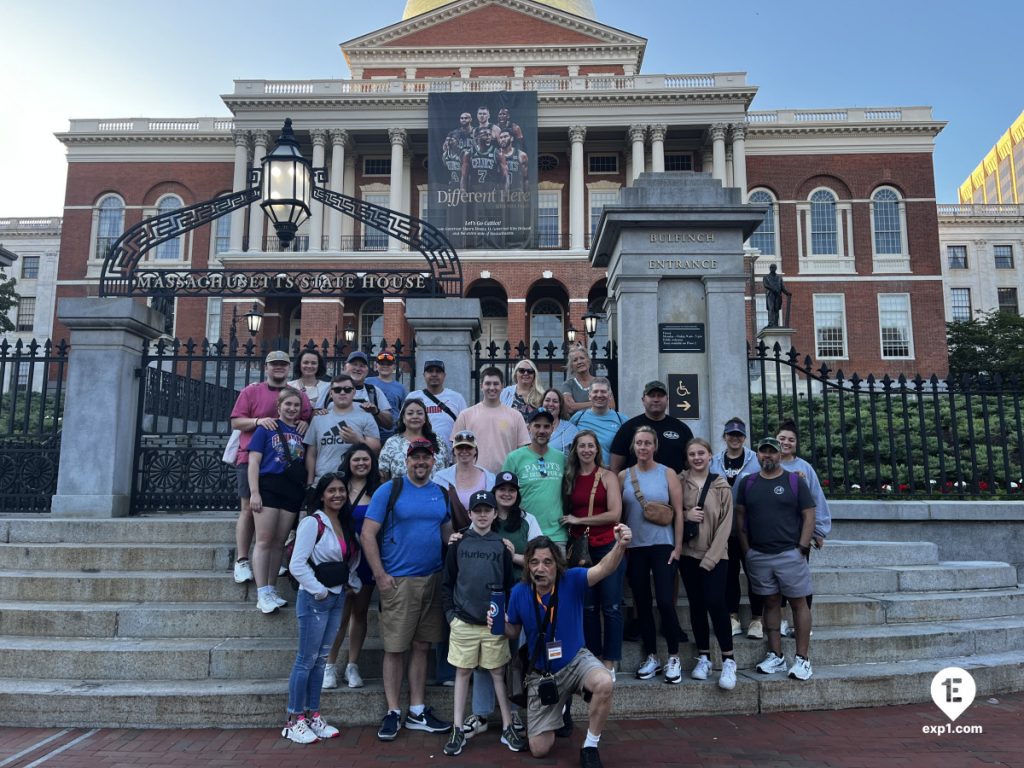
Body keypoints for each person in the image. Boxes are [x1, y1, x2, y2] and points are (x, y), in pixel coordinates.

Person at [498, 528, 633, 768]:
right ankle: (559, 708)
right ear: (528, 565)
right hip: (542, 673)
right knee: (539, 750)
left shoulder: (571, 580)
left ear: (557, 564)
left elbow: (604, 569)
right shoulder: (519, 592)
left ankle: (590, 746)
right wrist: (499, 626)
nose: (541, 568)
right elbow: (513, 632)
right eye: (535, 562)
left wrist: (620, 545)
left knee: (604, 682)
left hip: (575, 660)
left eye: (547, 562)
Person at [360, 439, 454, 741]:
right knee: (395, 648)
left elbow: (447, 536)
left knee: (423, 646)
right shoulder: (390, 490)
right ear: (407, 460)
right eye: (416, 458)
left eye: (426, 458)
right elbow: (367, 533)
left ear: (434, 462)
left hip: (432, 579)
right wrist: (380, 574)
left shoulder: (440, 493)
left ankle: (417, 710)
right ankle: (392, 711)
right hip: (398, 581)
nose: (421, 463)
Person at [455, 470, 540, 743]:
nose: (506, 494)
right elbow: (465, 543)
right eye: (501, 489)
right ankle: (480, 714)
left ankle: (513, 713)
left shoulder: (527, 520)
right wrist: (454, 539)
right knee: (483, 659)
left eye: (511, 490)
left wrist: (511, 554)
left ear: (517, 494)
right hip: (487, 601)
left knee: (514, 658)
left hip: (520, 595)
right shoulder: (484, 518)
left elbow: (539, 558)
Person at [440, 491, 524, 756]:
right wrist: (451, 617)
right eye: (478, 510)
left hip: (493, 622)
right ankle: (456, 727)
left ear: (494, 513)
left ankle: (508, 726)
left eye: (488, 510)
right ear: (470, 513)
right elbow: (447, 583)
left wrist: (506, 616)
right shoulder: (459, 543)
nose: (483, 514)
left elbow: (510, 585)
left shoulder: (502, 546)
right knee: (463, 672)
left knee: (498, 672)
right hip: (463, 621)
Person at [282, 472, 361, 743]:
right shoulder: (311, 523)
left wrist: (351, 582)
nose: (337, 495)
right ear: (322, 495)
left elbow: (349, 558)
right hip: (314, 599)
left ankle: (313, 715)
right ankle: (294, 720)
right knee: (306, 659)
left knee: (320, 659)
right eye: (331, 491)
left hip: (337, 597)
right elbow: (297, 564)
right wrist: (319, 591)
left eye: (341, 490)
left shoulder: (344, 522)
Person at [735, 437, 817, 681]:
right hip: (759, 555)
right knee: (770, 603)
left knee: (798, 603)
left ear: (780, 454)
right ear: (757, 455)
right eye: (763, 452)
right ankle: (776, 655)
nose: (767, 456)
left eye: (772, 452)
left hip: (789, 553)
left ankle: (802, 659)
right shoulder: (747, 483)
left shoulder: (795, 481)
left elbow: (809, 515)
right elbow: (740, 518)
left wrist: (801, 548)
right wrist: (747, 550)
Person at [229, 350, 312, 584]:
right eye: (274, 364)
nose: (279, 368)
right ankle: (243, 559)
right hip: (251, 457)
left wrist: (305, 421)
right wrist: (257, 421)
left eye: (283, 365)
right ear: (266, 367)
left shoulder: (298, 395)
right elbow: (236, 421)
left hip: (284, 467)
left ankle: (270, 561)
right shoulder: (251, 391)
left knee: (277, 524)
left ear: (289, 368)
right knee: (248, 507)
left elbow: (306, 417)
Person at [618, 425, 685, 683]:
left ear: (655, 446)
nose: (643, 447)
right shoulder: (624, 476)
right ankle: (652, 656)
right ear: (633, 447)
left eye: (647, 443)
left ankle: (674, 656)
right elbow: (621, 514)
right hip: (635, 547)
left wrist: (678, 547)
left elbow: (678, 512)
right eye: (639, 443)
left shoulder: (667, 474)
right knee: (642, 603)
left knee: (666, 602)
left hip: (663, 545)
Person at [561, 430, 624, 677]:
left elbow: (614, 514)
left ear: (597, 449)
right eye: (581, 446)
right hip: (580, 547)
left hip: (607, 544)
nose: (586, 450)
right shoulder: (571, 478)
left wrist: (580, 519)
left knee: (611, 605)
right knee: (587, 606)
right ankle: (593, 658)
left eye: (591, 446)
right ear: (575, 450)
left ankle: (610, 662)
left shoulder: (607, 476)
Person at [679, 438, 737, 690]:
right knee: (696, 605)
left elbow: (726, 524)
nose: (697, 457)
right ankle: (703, 656)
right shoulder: (679, 482)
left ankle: (728, 659)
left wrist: (711, 558)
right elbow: (669, 512)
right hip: (688, 555)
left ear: (711, 455)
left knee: (715, 602)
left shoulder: (722, 486)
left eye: (701, 453)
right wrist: (685, 514)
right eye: (692, 454)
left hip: (715, 556)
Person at [323, 445, 382, 690]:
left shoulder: (379, 489)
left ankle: (352, 665)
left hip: (368, 557)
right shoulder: (339, 487)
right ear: (348, 462)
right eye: (356, 459)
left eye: (365, 460)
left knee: (359, 612)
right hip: (344, 557)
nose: (361, 464)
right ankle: (329, 665)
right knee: (340, 614)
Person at [247, 387, 309, 615]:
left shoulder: (303, 430)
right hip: (269, 485)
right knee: (264, 539)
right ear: (279, 406)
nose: (292, 409)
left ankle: (271, 588)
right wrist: (254, 492)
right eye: (288, 405)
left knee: (279, 542)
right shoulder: (267, 428)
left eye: (296, 405)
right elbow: (254, 462)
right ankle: (262, 591)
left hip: (291, 488)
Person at [776, 419, 831, 637]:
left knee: (800, 580)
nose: (786, 443)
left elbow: (817, 498)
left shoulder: (804, 468)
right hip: (773, 532)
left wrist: (819, 530)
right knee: (774, 580)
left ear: (796, 443)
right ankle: (779, 621)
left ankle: (802, 623)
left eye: (791, 439)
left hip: (800, 534)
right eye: (782, 438)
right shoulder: (768, 463)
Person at [708, 417, 762, 639]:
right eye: (731, 434)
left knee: (754, 572)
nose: (735, 439)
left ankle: (757, 619)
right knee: (729, 574)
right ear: (725, 436)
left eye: (739, 435)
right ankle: (733, 616)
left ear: (744, 437)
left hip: (751, 527)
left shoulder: (755, 460)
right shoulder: (715, 461)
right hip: (724, 528)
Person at [502, 408, 567, 546]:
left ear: (552, 429)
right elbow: (502, 495)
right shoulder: (514, 458)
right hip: (524, 532)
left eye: (546, 426)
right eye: (537, 425)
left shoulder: (561, 458)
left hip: (556, 535)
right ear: (528, 428)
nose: (542, 430)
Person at [303, 374, 380, 484]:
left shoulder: (366, 416)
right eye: (337, 389)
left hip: (354, 481)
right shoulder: (318, 418)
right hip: (323, 480)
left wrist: (357, 441)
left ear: (354, 392)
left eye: (347, 389)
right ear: (331, 393)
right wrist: (310, 483)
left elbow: (376, 449)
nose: (342, 393)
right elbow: (311, 454)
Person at [453, 367, 530, 473]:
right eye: (488, 383)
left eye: (496, 384)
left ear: (502, 386)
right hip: (473, 479)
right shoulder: (466, 415)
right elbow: (455, 451)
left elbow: (523, 452)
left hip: (506, 481)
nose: (492, 387)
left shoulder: (516, 416)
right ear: (481, 386)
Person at [609, 380, 693, 474]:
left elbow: (691, 464)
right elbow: (615, 467)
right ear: (643, 400)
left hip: (674, 487)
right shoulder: (628, 428)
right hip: (637, 487)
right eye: (652, 395)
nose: (656, 399)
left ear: (667, 399)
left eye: (660, 395)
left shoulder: (681, 429)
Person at [434, 430, 496, 530]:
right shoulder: (440, 478)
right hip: (449, 537)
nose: (464, 451)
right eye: (459, 447)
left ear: (475, 450)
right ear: (454, 451)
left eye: (468, 447)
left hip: (483, 536)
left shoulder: (490, 478)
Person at [379, 398, 452, 481]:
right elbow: (383, 476)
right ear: (403, 418)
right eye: (410, 413)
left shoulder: (439, 442)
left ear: (425, 418)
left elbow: (446, 471)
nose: (415, 416)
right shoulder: (392, 443)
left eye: (419, 413)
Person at [405, 359, 467, 451]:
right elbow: (403, 424)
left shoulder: (457, 398)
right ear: (424, 375)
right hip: (418, 455)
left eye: (438, 371)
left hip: (449, 455)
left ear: (444, 375)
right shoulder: (413, 397)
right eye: (430, 371)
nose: (434, 374)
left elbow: (465, 427)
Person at [570, 378, 624, 466]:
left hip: (609, 475)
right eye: (595, 391)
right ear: (589, 395)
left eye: (603, 391)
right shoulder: (578, 418)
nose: (599, 395)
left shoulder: (621, 420)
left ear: (610, 396)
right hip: (582, 473)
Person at [344, 351, 394, 434]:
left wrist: (376, 411)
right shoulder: (331, 389)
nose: (357, 368)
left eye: (362, 366)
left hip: (366, 444)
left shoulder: (374, 391)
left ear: (367, 370)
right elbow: (317, 415)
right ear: (345, 367)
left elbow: (389, 423)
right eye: (354, 364)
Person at [367, 350, 408, 444]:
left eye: (388, 364)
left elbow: (403, 411)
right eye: (381, 363)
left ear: (394, 366)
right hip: (370, 431)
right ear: (376, 366)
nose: (385, 366)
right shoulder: (367, 382)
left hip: (393, 432)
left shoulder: (400, 388)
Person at [561, 345, 615, 416]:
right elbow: (569, 407)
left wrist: (578, 405)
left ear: (588, 361)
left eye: (582, 358)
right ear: (571, 366)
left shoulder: (602, 382)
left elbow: (611, 406)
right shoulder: (568, 385)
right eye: (575, 360)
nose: (579, 362)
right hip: (578, 425)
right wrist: (600, 402)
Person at [288, 348, 331, 413]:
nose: (309, 366)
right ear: (299, 364)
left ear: (319, 365)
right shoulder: (289, 386)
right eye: (306, 362)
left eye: (313, 363)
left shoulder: (327, 387)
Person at [542, 388, 578, 455]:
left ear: (560, 406)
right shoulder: (531, 427)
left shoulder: (570, 430)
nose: (550, 404)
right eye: (547, 400)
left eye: (555, 401)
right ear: (542, 403)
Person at [763, 263, 792, 328]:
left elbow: (782, 287)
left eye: (773, 267)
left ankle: (775, 323)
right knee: (771, 308)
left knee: (776, 309)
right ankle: (770, 323)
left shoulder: (779, 278)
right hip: (770, 295)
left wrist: (787, 293)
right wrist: (773, 289)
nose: (772, 269)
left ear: (775, 269)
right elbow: (765, 285)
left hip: (778, 295)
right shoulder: (766, 277)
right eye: (771, 267)